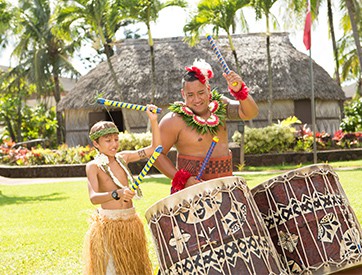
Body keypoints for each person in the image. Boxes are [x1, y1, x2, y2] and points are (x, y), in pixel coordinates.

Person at [154, 59, 258, 193]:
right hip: (191, 193)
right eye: (190, 95)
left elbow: (250, 113)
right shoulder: (173, 121)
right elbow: (156, 155)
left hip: (226, 189)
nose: (196, 99)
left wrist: (240, 92)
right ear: (182, 94)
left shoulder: (221, 106)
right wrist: (183, 180)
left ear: (208, 90)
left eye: (201, 93)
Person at [83, 105, 160, 275]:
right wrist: (117, 193)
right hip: (109, 225)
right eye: (108, 141)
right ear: (96, 143)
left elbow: (154, 149)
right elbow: (94, 197)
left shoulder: (123, 158)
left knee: (133, 268)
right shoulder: (93, 167)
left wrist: (153, 121)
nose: (114, 144)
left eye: (116, 139)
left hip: (130, 221)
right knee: (112, 269)